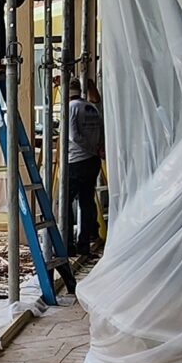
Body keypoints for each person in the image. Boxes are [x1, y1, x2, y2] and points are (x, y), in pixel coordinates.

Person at [66, 77, 104, 257]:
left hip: (76, 161)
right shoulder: (91, 108)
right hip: (92, 161)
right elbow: (100, 132)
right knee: (86, 202)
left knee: (64, 202)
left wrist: (89, 148)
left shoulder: (71, 108)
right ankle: (84, 245)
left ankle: (68, 246)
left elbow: (73, 136)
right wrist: (96, 150)